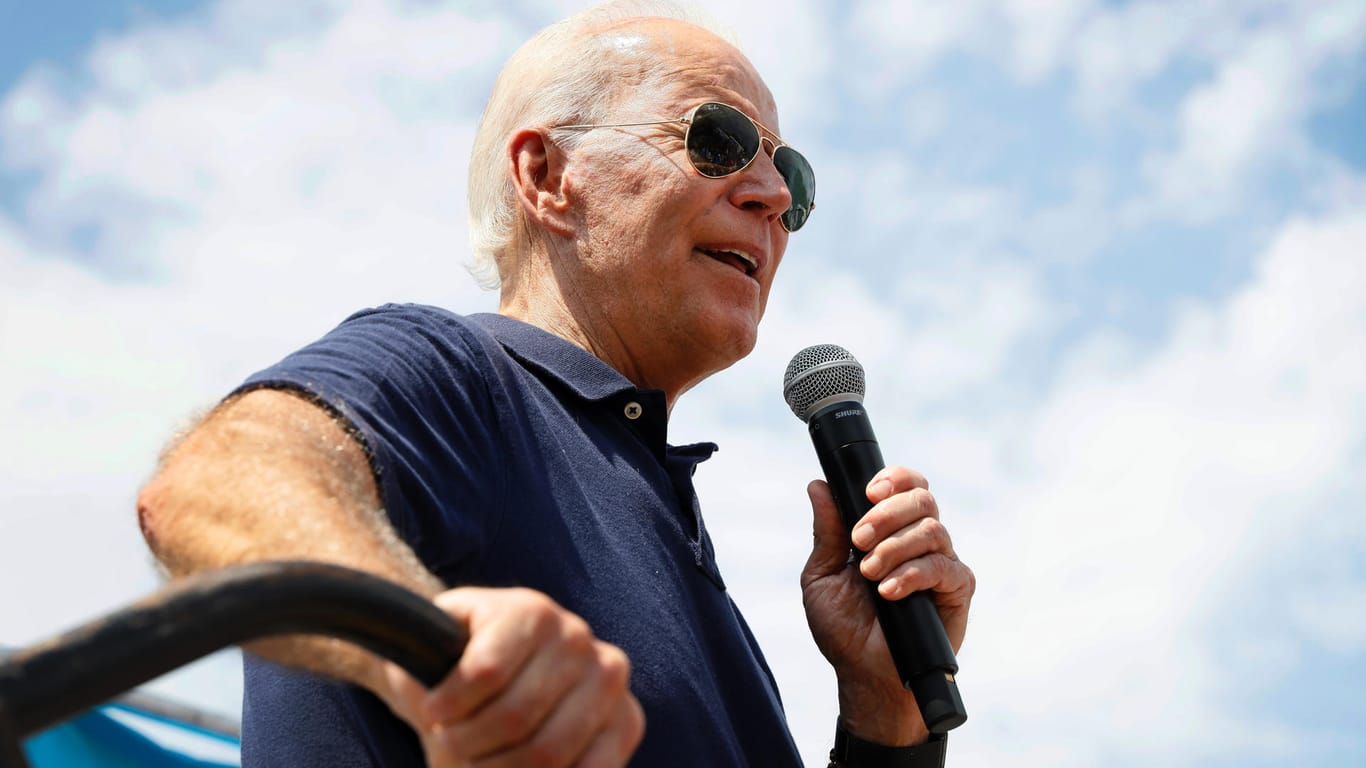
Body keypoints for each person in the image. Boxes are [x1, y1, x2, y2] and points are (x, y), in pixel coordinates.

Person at [136, 2, 976, 767]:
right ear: (545, 176)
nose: (770, 193)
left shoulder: (667, 511)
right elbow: (213, 484)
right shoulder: (455, 375)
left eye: (790, 173)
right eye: (716, 139)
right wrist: (430, 643)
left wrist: (885, 714)